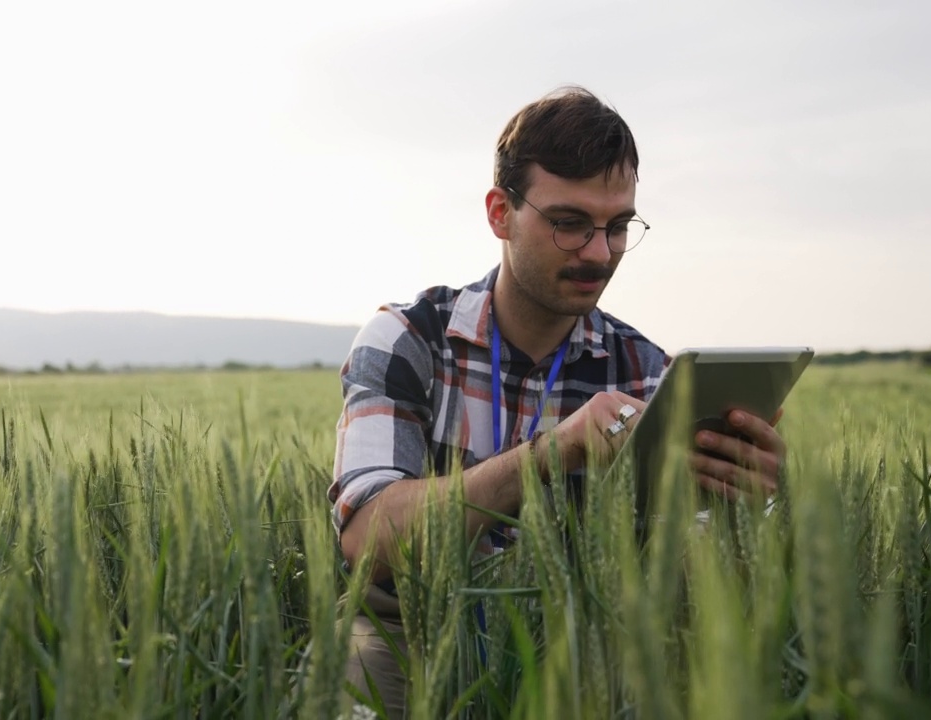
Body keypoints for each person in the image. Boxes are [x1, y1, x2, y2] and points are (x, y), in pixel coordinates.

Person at [326, 86, 787, 717]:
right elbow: (368, 540)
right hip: (410, 626)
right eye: (569, 223)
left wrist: (745, 501)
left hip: (582, 630)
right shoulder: (409, 341)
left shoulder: (647, 373)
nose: (599, 253)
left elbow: (694, 574)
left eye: (618, 226)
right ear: (499, 213)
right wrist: (553, 451)